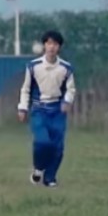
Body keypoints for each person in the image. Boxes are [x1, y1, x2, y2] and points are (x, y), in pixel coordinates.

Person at [18, 30, 76, 187]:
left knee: (57, 146)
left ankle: (50, 178)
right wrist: (23, 108)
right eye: (49, 43)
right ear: (44, 45)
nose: (52, 47)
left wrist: (67, 101)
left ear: (59, 47)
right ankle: (38, 168)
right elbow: (26, 89)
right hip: (39, 110)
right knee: (43, 142)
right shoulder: (33, 66)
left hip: (57, 110)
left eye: (55, 44)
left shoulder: (66, 68)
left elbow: (70, 89)